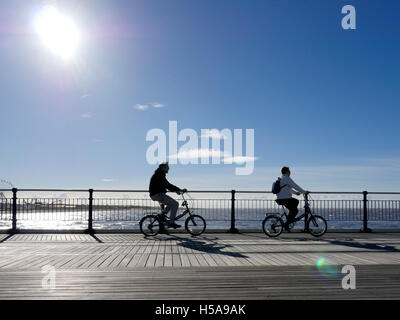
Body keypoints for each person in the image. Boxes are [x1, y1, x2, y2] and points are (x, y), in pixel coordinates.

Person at [149, 162, 187, 229]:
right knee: (175, 203)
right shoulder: (159, 175)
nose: (168, 169)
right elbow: (168, 185)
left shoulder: (159, 174)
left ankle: (161, 216)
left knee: (170, 204)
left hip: (156, 194)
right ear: (163, 168)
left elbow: (166, 185)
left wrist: (176, 190)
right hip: (157, 195)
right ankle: (171, 222)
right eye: (167, 168)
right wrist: (179, 189)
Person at [275, 166, 308, 231]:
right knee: (295, 210)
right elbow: (295, 185)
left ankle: (288, 221)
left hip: (281, 198)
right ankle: (287, 223)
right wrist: (304, 191)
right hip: (284, 199)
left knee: (295, 203)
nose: (290, 172)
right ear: (287, 172)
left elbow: (288, 189)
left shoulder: (282, 178)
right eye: (289, 171)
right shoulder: (286, 178)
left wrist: (296, 193)